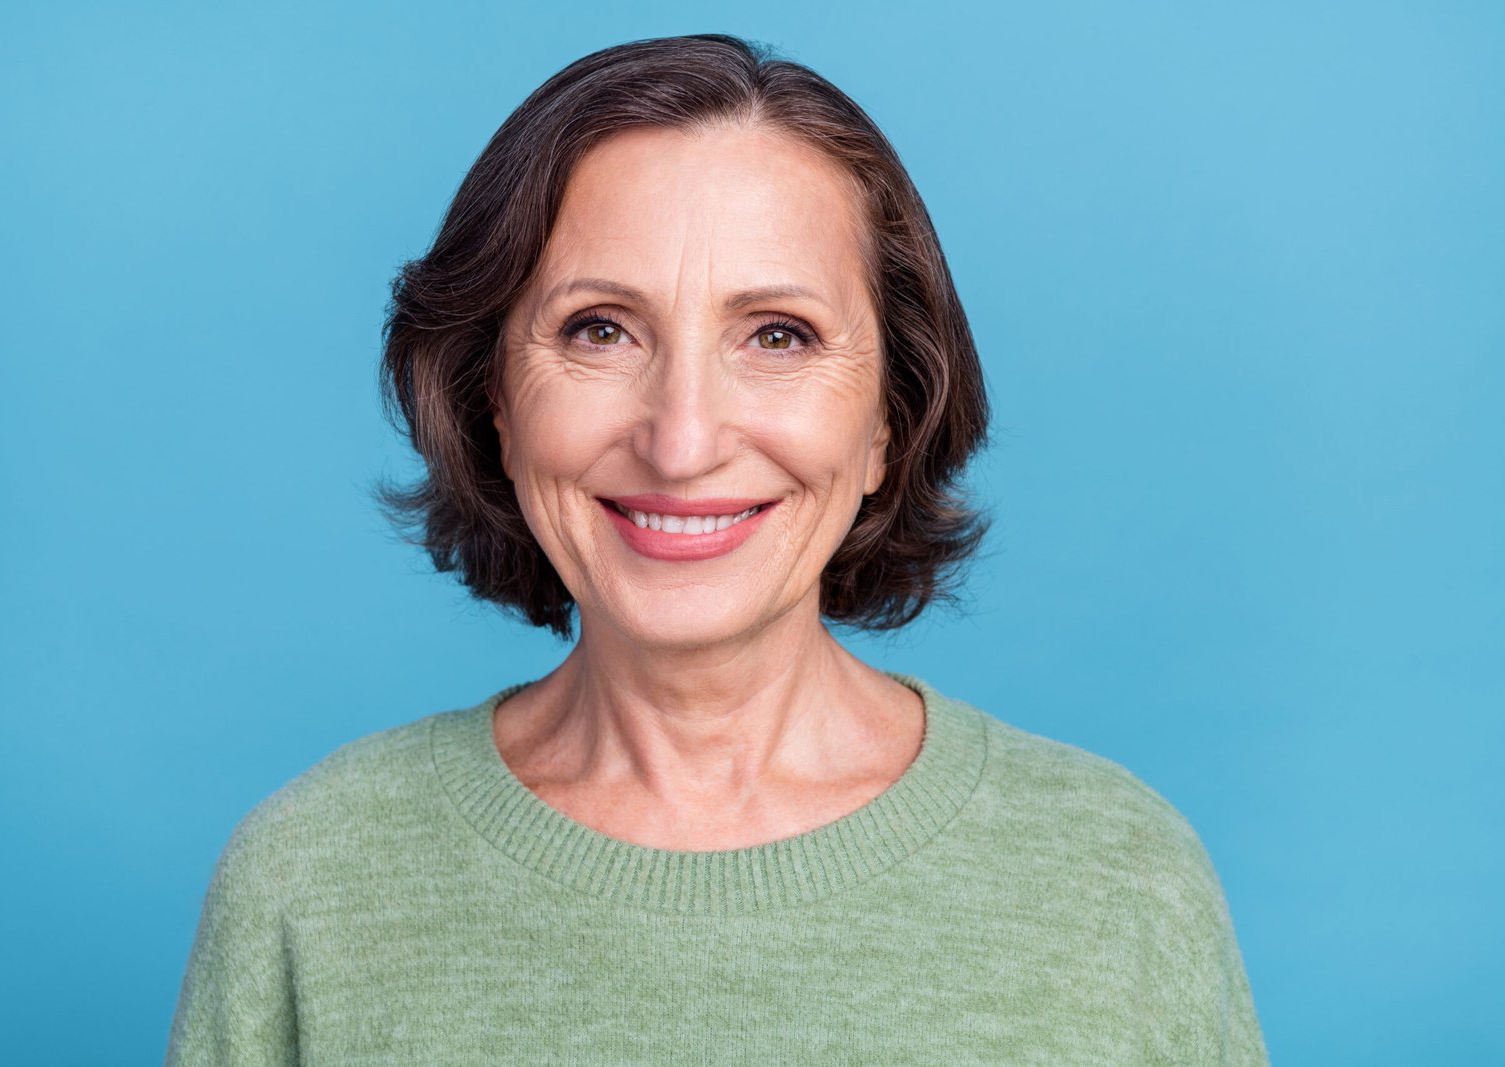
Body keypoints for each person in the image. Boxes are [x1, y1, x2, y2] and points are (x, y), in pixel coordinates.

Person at [165, 33, 1267, 1065]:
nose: (682, 440)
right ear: (492, 398)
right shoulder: (310, 880)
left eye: (776, 335)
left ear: (889, 418)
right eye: (599, 328)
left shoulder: (1118, 881)